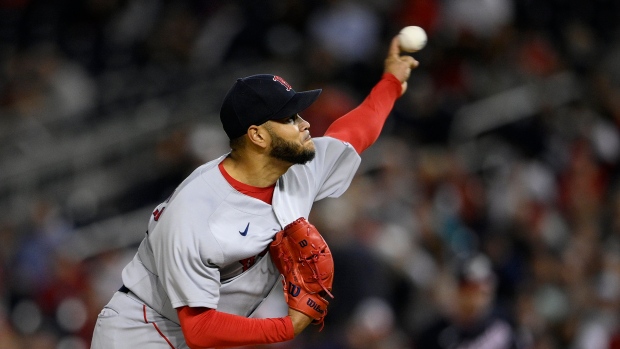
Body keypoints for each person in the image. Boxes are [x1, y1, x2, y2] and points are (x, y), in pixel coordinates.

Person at [90, 35, 418, 349]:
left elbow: (355, 131)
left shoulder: (297, 169)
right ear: (258, 136)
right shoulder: (195, 211)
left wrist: (390, 81)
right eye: (290, 118)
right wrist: (290, 326)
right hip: (141, 330)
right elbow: (200, 329)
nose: (305, 124)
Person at [413, 253, 529, 349]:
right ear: (458, 290)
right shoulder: (434, 335)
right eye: (471, 288)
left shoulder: (504, 317)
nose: (478, 297)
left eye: (485, 288)